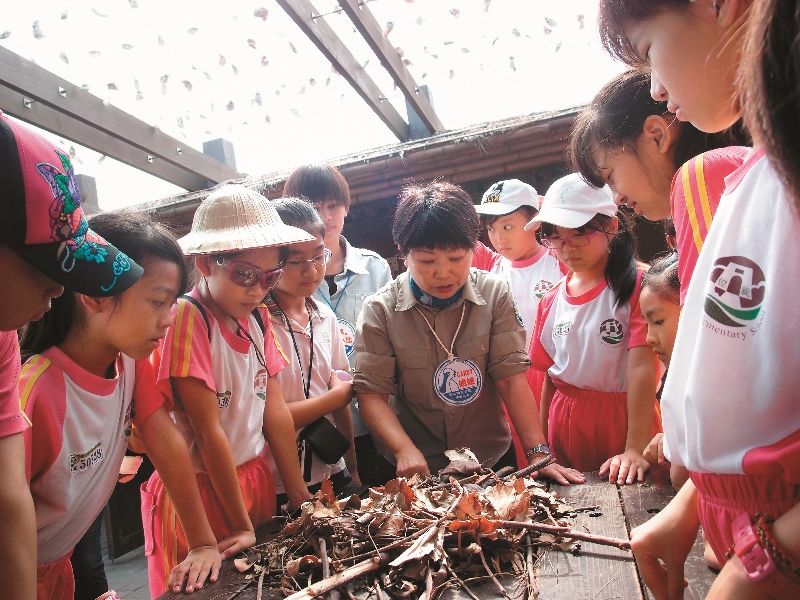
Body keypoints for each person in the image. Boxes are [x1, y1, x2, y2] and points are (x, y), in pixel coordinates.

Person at [598, 1, 800, 597]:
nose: (657, 90)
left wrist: (770, 558)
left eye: (648, 51)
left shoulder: (736, 180)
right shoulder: (754, 179)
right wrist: (697, 502)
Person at [19, 212, 224, 600]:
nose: (168, 320)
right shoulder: (36, 394)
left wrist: (202, 543)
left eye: (172, 304)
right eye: (158, 302)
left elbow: (163, 438)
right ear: (96, 295)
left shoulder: (130, 360)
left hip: (59, 564)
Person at [353, 180, 584, 486]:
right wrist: (404, 450)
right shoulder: (380, 311)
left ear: (473, 249)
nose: (443, 273)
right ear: (403, 254)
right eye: (427, 261)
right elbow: (372, 395)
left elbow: (511, 379)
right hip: (414, 468)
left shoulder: (494, 293)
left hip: (489, 460)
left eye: (456, 258)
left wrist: (538, 454)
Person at [0, 112, 143, 600]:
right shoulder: (38, 382)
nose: (60, 288)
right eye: (47, 266)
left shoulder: (3, 338)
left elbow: (8, 496)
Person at [147, 185, 314, 597]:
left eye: (270, 277)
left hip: (253, 476)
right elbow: (208, 432)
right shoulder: (188, 318)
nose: (258, 290)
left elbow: (274, 411)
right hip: (202, 489)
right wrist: (240, 523)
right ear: (206, 263)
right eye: (245, 275)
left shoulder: (257, 318)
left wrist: (299, 495)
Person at [570, 68, 750, 304]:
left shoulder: (701, 174)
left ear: (657, 135)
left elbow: (717, 316)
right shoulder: (738, 166)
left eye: (611, 175)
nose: (616, 199)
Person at [528, 174, 661, 484]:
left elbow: (642, 366)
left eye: (578, 234)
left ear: (611, 226)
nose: (566, 248)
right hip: (566, 422)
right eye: (555, 237)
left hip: (627, 419)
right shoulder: (551, 300)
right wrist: (543, 450)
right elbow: (551, 377)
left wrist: (634, 448)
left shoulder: (640, 286)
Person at [284, 164, 391, 486]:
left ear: (347, 206)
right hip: (314, 426)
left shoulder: (375, 268)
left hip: (375, 416)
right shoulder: (284, 281)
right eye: (314, 206)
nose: (325, 216)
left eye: (333, 205)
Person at [266, 198, 356, 504]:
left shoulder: (325, 316)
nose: (311, 270)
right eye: (295, 261)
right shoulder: (257, 324)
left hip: (332, 470)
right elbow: (270, 417)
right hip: (277, 484)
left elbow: (342, 394)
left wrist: (353, 469)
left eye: (319, 256)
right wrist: (336, 397)